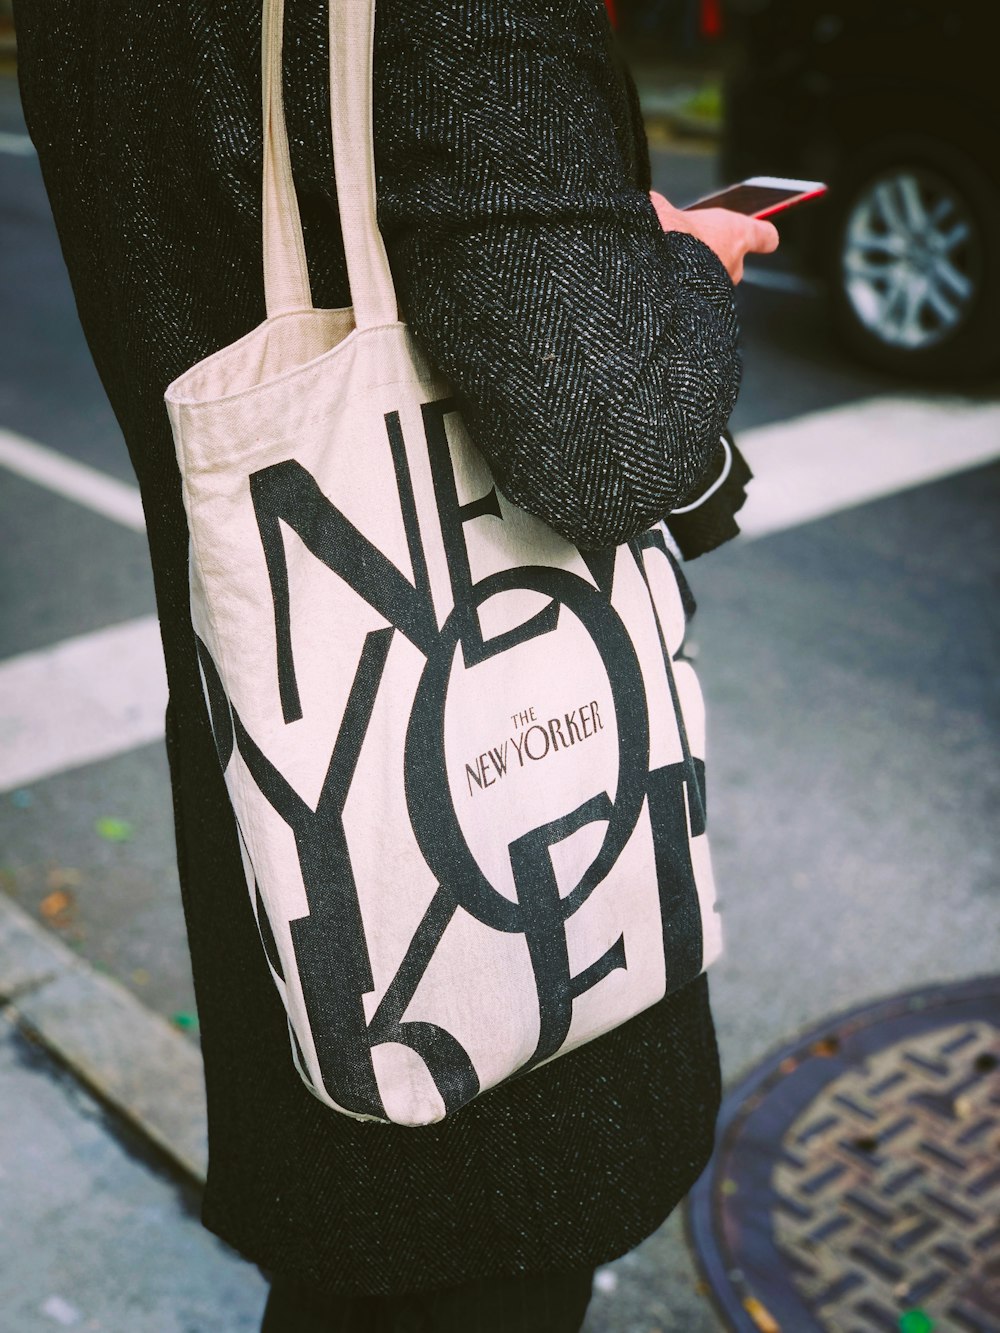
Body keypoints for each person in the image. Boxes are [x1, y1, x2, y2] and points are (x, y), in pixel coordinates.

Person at [15, 2, 777, 1329]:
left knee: (361, 1285)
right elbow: (604, 439)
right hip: (502, 963)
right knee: (469, 1284)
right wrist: (685, 273)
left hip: (304, 806)